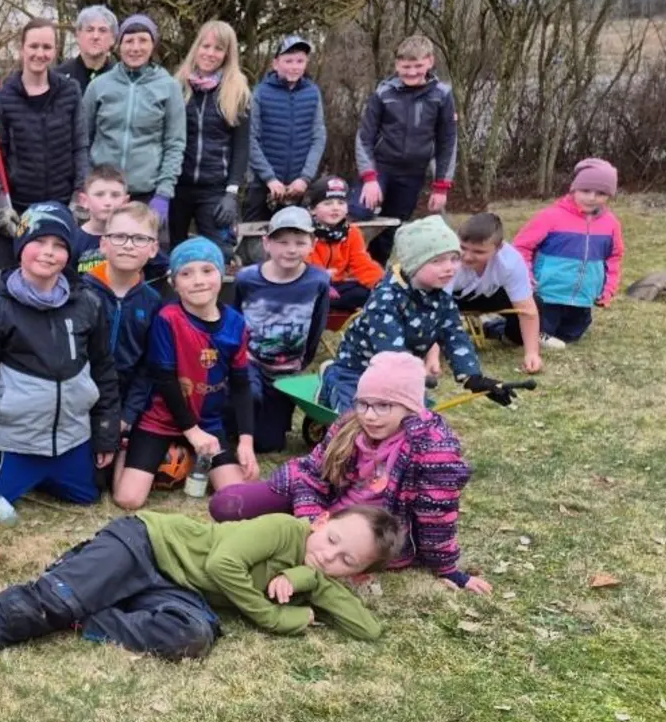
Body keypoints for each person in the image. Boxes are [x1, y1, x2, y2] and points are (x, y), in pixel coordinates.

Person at [0, 504, 401, 689]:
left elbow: (368, 628)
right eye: (331, 541)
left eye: (347, 562)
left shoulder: (320, 570)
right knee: (54, 600)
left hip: (182, 591)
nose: (330, 557)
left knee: (194, 635)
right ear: (321, 522)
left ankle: (83, 615)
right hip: (145, 545)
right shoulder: (282, 528)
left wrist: (314, 582)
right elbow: (225, 568)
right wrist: (277, 616)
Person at [211, 351, 486, 593]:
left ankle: (282, 531)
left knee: (280, 551)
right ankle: (283, 522)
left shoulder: (433, 450)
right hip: (321, 508)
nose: (369, 415)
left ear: (411, 407)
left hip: (357, 532)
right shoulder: (348, 425)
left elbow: (437, 515)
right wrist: (307, 521)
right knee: (225, 504)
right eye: (364, 403)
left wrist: (448, 568)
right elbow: (312, 475)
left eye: (383, 406)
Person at [0, 202, 119, 515]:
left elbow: (104, 371)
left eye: (59, 245)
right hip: (16, 441)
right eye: (38, 241)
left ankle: (49, 474)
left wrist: (105, 435)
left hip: (71, 438)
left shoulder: (88, 305)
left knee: (90, 495)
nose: (48, 252)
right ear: (21, 246)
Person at [113, 237, 256, 511]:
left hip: (208, 423)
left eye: (207, 270)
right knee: (128, 499)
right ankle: (126, 449)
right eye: (186, 274)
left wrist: (246, 442)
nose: (198, 280)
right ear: (174, 282)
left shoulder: (236, 324)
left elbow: (240, 385)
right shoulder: (167, 318)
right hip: (161, 419)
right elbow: (165, 380)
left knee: (239, 497)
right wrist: (191, 433)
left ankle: (191, 457)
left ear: (222, 273)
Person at [321, 217, 512, 412]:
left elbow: (455, 336)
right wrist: (416, 375)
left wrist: (473, 377)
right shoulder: (386, 299)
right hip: (358, 371)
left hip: (400, 373)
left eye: (454, 259)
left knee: (413, 421)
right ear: (413, 264)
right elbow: (390, 350)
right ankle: (331, 378)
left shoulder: (442, 300)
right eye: (437, 261)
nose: (449, 267)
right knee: (355, 419)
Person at [233, 206, 330, 453]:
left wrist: (302, 360)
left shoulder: (317, 282)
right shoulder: (247, 279)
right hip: (251, 361)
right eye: (282, 241)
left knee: (270, 445)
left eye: (299, 242)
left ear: (313, 243)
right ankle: (236, 422)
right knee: (248, 398)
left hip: (287, 369)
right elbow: (234, 319)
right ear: (266, 243)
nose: (291, 249)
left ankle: (267, 423)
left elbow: (317, 325)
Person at [356, 35, 458, 264]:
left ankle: (375, 273)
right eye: (406, 67)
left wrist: (441, 186)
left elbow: (447, 142)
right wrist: (369, 178)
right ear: (396, 65)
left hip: (413, 173)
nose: (412, 72)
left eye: (418, 66)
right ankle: (349, 265)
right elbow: (364, 137)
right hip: (381, 168)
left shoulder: (442, 94)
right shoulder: (383, 93)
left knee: (392, 226)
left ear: (430, 62)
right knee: (360, 213)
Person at [0, 18, 90, 239]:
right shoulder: (2, 99)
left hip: (64, 206)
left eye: (47, 47)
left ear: (55, 50)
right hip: (20, 207)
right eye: (33, 46)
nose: (39, 53)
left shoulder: (70, 91)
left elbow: (81, 146)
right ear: (22, 48)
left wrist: (81, 196)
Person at [83, 14, 185, 235]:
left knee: (142, 260)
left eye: (142, 40)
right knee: (99, 260)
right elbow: (83, 138)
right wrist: (86, 182)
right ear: (119, 45)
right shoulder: (99, 86)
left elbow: (174, 144)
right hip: (104, 193)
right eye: (129, 41)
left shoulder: (169, 87)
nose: (135, 48)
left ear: (153, 45)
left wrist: (163, 193)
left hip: (145, 194)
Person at [512, 158, 624, 347]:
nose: (592, 197)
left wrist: (608, 288)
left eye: (601, 193)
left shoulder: (611, 224)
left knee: (571, 335)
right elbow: (521, 247)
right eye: (586, 191)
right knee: (533, 333)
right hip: (548, 292)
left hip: (584, 296)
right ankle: (499, 328)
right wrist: (527, 277)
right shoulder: (550, 216)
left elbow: (614, 257)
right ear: (573, 189)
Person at [82, 201, 164, 435]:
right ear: (103, 244)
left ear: (153, 249)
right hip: (77, 401)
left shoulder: (152, 302)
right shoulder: (80, 293)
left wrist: (128, 414)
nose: (128, 245)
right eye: (119, 236)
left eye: (139, 239)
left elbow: (148, 365)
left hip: (125, 401)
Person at [169, 21, 249, 257]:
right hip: (176, 186)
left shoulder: (238, 92)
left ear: (227, 54)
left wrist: (232, 193)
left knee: (218, 254)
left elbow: (241, 147)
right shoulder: (176, 87)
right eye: (206, 46)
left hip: (215, 188)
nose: (210, 53)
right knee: (170, 253)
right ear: (197, 47)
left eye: (218, 49)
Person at [442, 212, 542, 373]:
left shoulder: (510, 261)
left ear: (498, 248)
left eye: (478, 252)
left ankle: (496, 330)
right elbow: (435, 309)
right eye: (463, 248)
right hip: (446, 296)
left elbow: (527, 311)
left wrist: (532, 353)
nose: (467, 257)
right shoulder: (446, 255)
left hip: (487, 294)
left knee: (536, 304)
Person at [245, 35, 326, 220]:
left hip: (297, 185)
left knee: (294, 238)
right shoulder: (260, 93)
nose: (294, 66)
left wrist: (305, 178)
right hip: (262, 184)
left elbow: (318, 137)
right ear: (276, 63)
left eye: (300, 61)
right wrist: (269, 179)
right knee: (254, 238)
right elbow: (250, 138)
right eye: (288, 61)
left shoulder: (312, 93)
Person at [68, 164, 168, 283]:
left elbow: (165, 269)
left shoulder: (135, 238)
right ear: (84, 201)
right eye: (99, 194)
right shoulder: (73, 240)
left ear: (125, 201)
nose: (108, 202)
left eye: (115, 195)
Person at [305, 175, 383, 312]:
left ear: (347, 208)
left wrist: (381, 284)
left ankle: (329, 306)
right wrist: (322, 281)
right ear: (312, 209)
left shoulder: (352, 232)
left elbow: (362, 263)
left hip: (339, 284)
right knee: (306, 293)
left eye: (341, 203)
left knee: (365, 292)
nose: (335, 208)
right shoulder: (306, 232)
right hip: (312, 283)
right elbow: (307, 264)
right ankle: (321, 306)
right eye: (327, 203)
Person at [55, 5, 117, 93]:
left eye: (102, 30)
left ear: (113, 39)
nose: (95, 36)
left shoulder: (121, 80)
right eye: (90, 30)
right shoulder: (58, 78)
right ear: (77, 36)